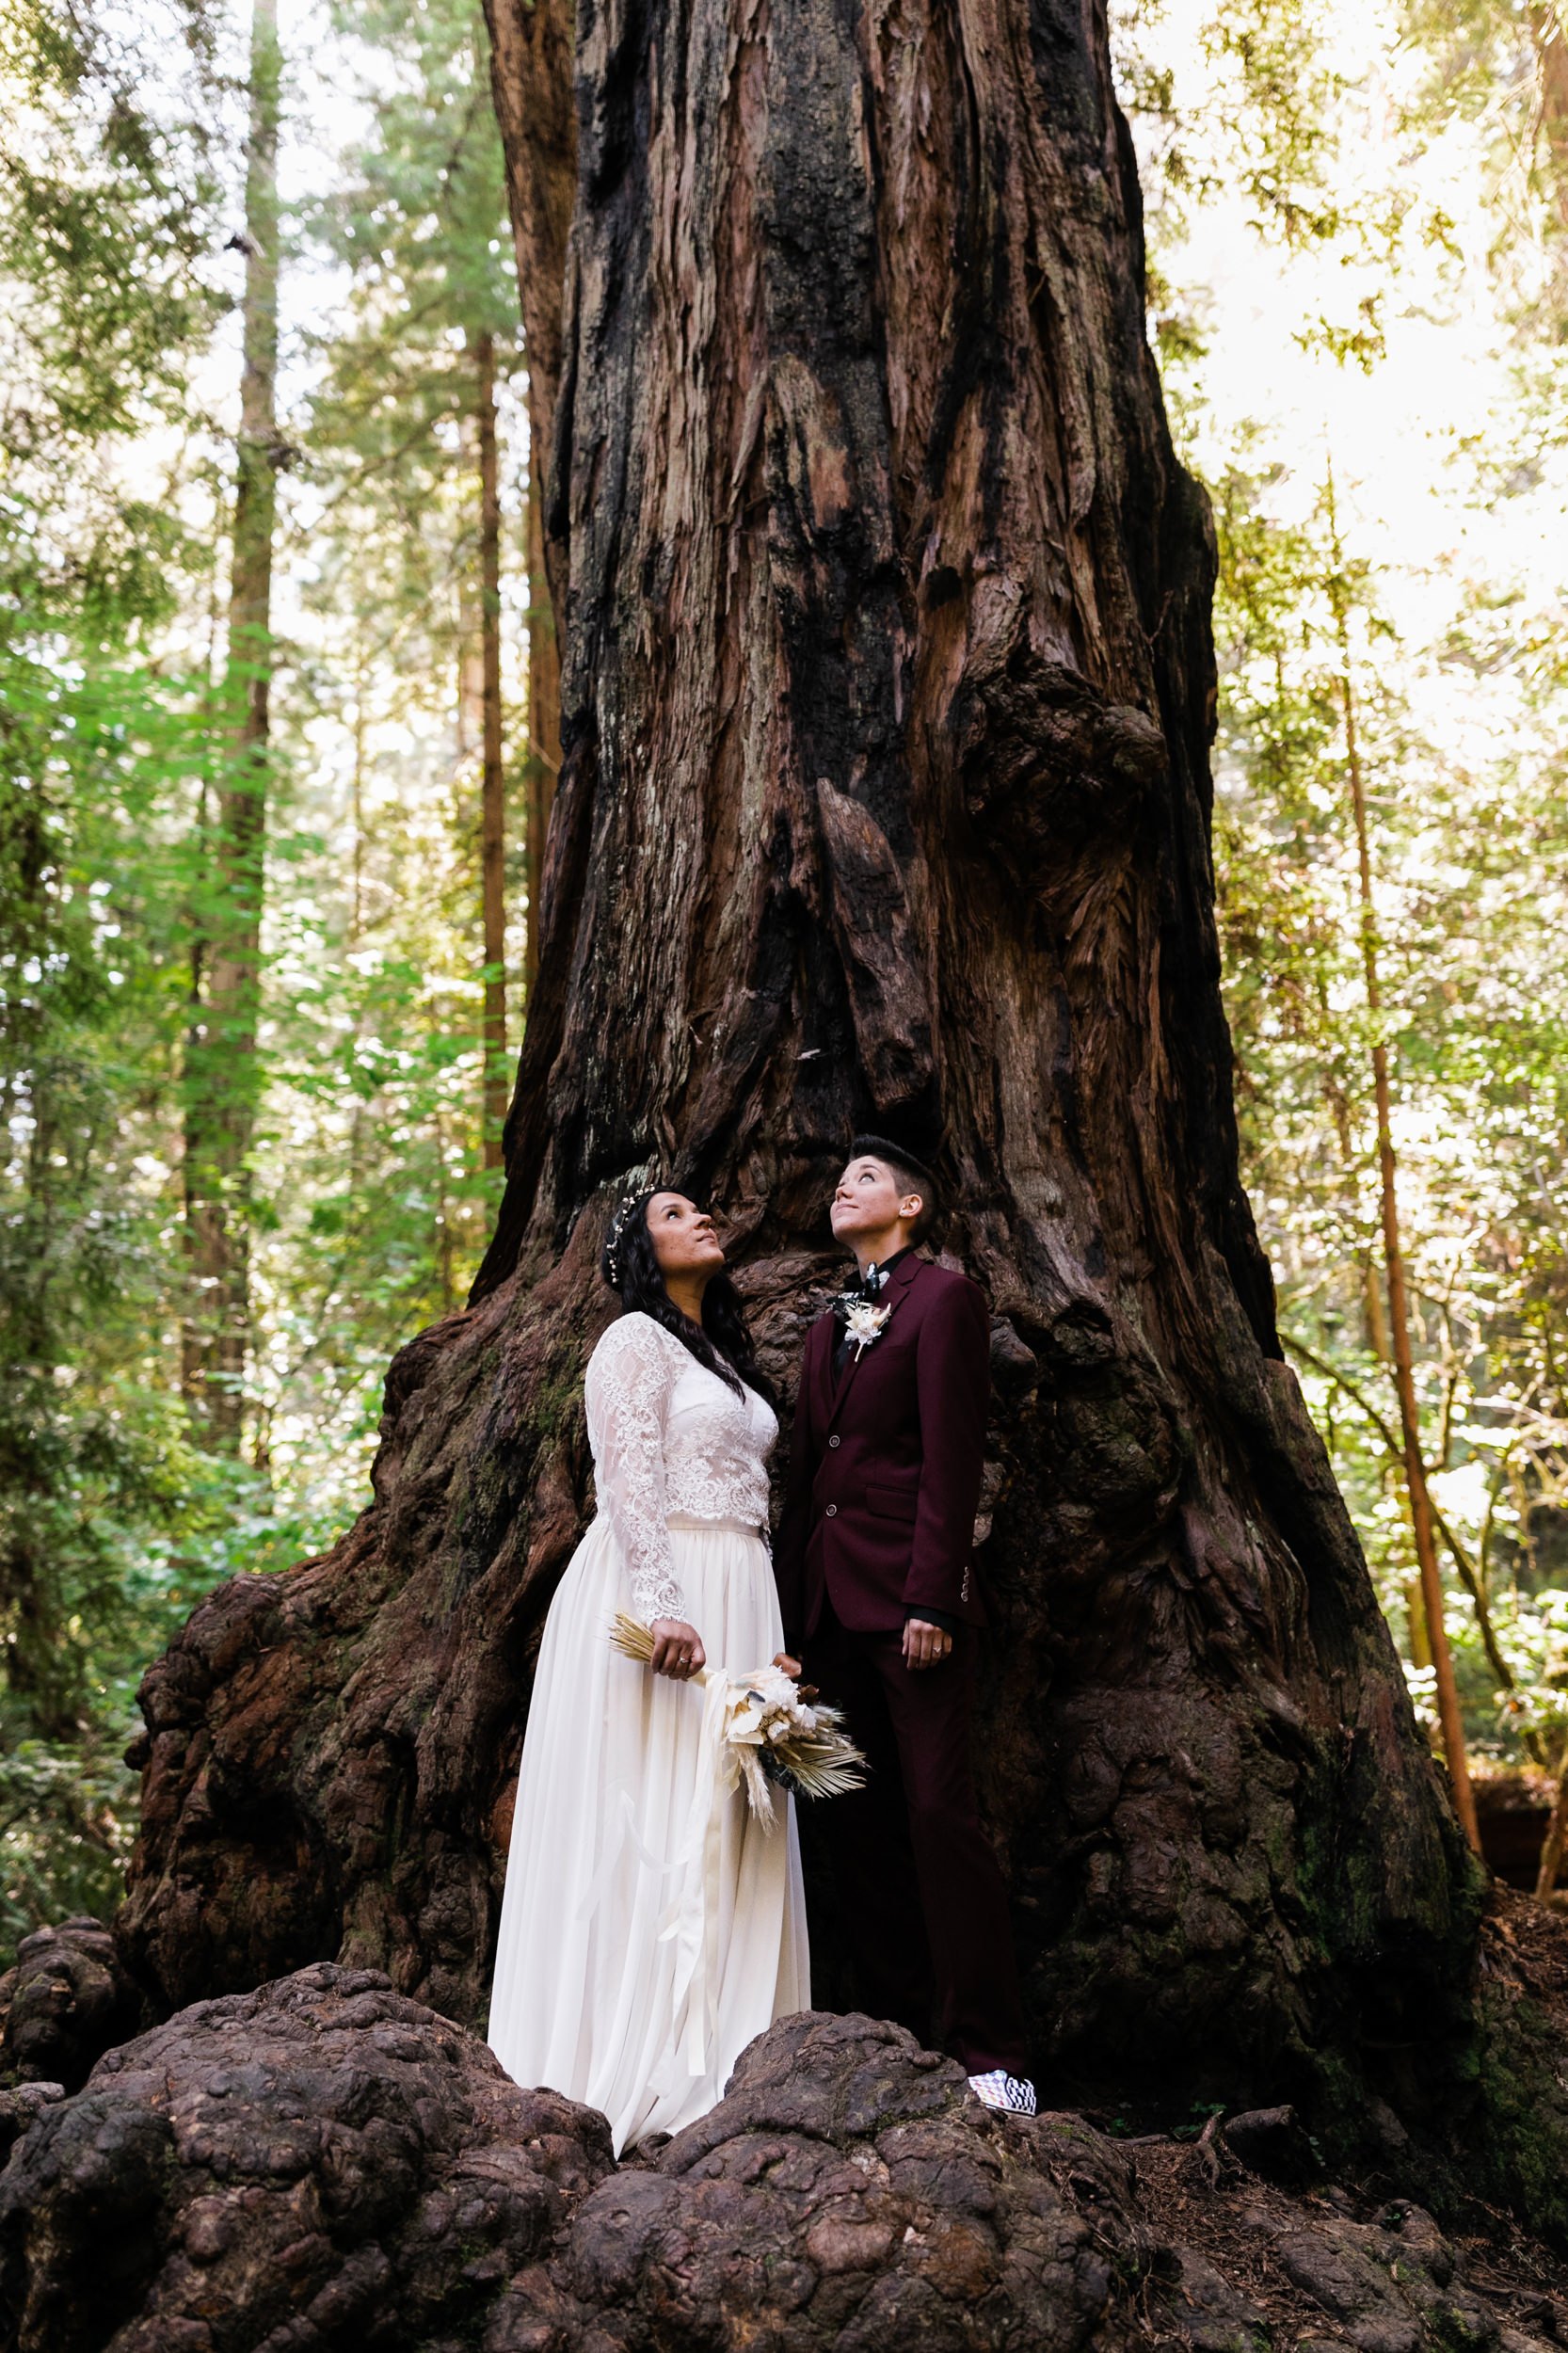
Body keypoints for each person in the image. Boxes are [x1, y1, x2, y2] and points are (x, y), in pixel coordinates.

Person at [487, 1188, 808, 2153]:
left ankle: (728, 2041)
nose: (702, 1217)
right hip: (659, 1583)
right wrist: (663, 1600)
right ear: (638, 1248)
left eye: (700, 1208)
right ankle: (626, 2057)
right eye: (674, 1213)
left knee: (731, 1808)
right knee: (652, 1808)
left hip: (740, 1586)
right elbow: (625, 1473)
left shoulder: (719, 1355)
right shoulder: (630, 1338)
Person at [775, 1137, 1036, 2116]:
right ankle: (899, 2034)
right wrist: (789, 1619)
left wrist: (933, 1595)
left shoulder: (942, 1300)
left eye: (868, 1177)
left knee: (938, 1814)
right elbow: (807, 1480)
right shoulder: (823, 1324)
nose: (844, 1184)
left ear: (913, 1205)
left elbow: (950, 1459)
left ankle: (991, 2053)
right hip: (828, 1610)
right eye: (839, 1177)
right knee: (855, 1823)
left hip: (908, 1604)